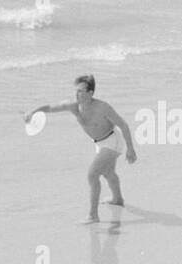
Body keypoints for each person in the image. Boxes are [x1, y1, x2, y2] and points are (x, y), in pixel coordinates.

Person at [25, 74, 138, 222]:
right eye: (76, 90)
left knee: (92, 174)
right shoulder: (73, 106)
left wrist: (131, 149)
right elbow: (50, 108)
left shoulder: (103, 107)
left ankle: (93, 215)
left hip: (112, 140)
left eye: (80, 91)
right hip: (99, 143)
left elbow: (123, 125)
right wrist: (32, 111)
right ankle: (118, 199)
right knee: (108, 173)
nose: (76, 94)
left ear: (90, 93)